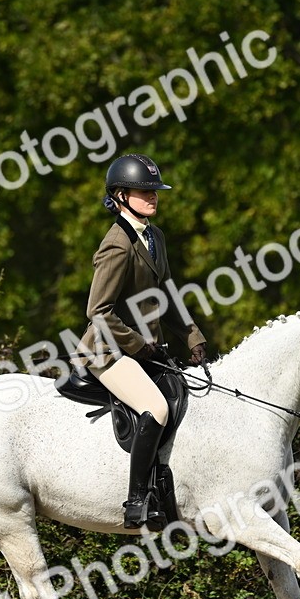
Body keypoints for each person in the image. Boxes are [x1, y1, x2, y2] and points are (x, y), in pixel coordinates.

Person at [76, 153, 208, 529]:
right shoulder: (117, 244)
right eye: (144, 191)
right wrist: (136, 343)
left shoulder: (154, 237)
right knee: (156, 407)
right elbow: (98, 311)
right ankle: (137, 501)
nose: (153, 197)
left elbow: (166, 294)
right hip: (107, 350)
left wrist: (192, 336)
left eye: (155, 191)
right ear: (120, 196)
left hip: (145, 349)